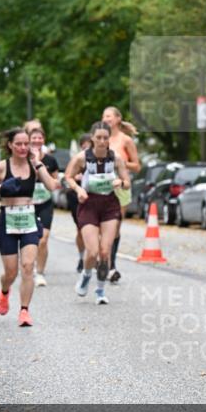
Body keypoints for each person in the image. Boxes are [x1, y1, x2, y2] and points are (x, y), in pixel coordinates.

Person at [0, 128, 59, 327]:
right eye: (19, 144)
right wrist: (1, 187)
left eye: (26, 144)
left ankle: (24, 311)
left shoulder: (34, 166)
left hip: (28, 219)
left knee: (27, 267)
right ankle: (5, 291)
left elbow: (52, 186)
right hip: (7, 221)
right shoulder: (1, 167)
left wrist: (38, 163)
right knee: (11, 272)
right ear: (10, 145)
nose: (23, 147)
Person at [64, 121, 132, 305]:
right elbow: (68, 176)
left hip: (110, 204)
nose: (102, 141)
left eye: (105, 138)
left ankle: (100, 290)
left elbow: (127, 182)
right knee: (92, 251)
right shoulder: (82, 158)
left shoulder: (115, 158)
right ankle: (86, 276)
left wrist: (121, 183)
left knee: (104, 252)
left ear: (109, 138)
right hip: (88, 203)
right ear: (92, 138)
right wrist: (78, 190)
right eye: (98, 137)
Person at [101, 107, 141, 284]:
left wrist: (121, 162)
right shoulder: (100, 138)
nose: (106, 119)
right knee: (102, 227)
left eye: (109, 116)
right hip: (101, 186)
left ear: (118, 119)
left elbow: (137, 166)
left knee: (115, 226)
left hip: (121, 187)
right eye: (104, 116)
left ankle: (111, 265)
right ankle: (103, 260)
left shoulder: (126, 141)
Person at [25, 122, 61, 287]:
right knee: (30, 238)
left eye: (40, 137)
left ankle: (40, 272)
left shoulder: (50, 160)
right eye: (34, 138)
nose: (37, 140)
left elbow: (55, 180)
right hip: (28, 204)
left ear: (43, 139)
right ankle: (28, 266)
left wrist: (54, 182)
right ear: (29, 140)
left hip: (45, 202)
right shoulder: (24, 158)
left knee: (44, 239)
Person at [68, 133, 93, 272]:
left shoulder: (101, 158)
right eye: (84, 146)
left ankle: (95, 256)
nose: (87, 148)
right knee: (81, 229)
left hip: (96, 195)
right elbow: (68, 177)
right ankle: (81, 257)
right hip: (77, 195)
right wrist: (77, 177)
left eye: (89, 145)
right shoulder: (77, 159)